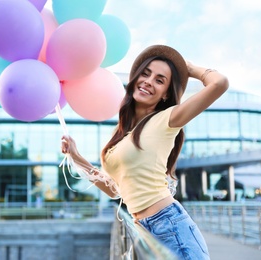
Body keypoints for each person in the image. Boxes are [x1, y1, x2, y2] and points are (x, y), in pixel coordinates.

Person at [60, 44, 229, 260]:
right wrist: (76, 157)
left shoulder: (168, 119)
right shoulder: (122, 133)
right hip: (143, 230)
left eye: (159, 80)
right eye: (146, 74)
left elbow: (220, 83)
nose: (148, 81)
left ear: (166, 94)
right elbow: (114, 190)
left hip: (171, 227)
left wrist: (189, 68)